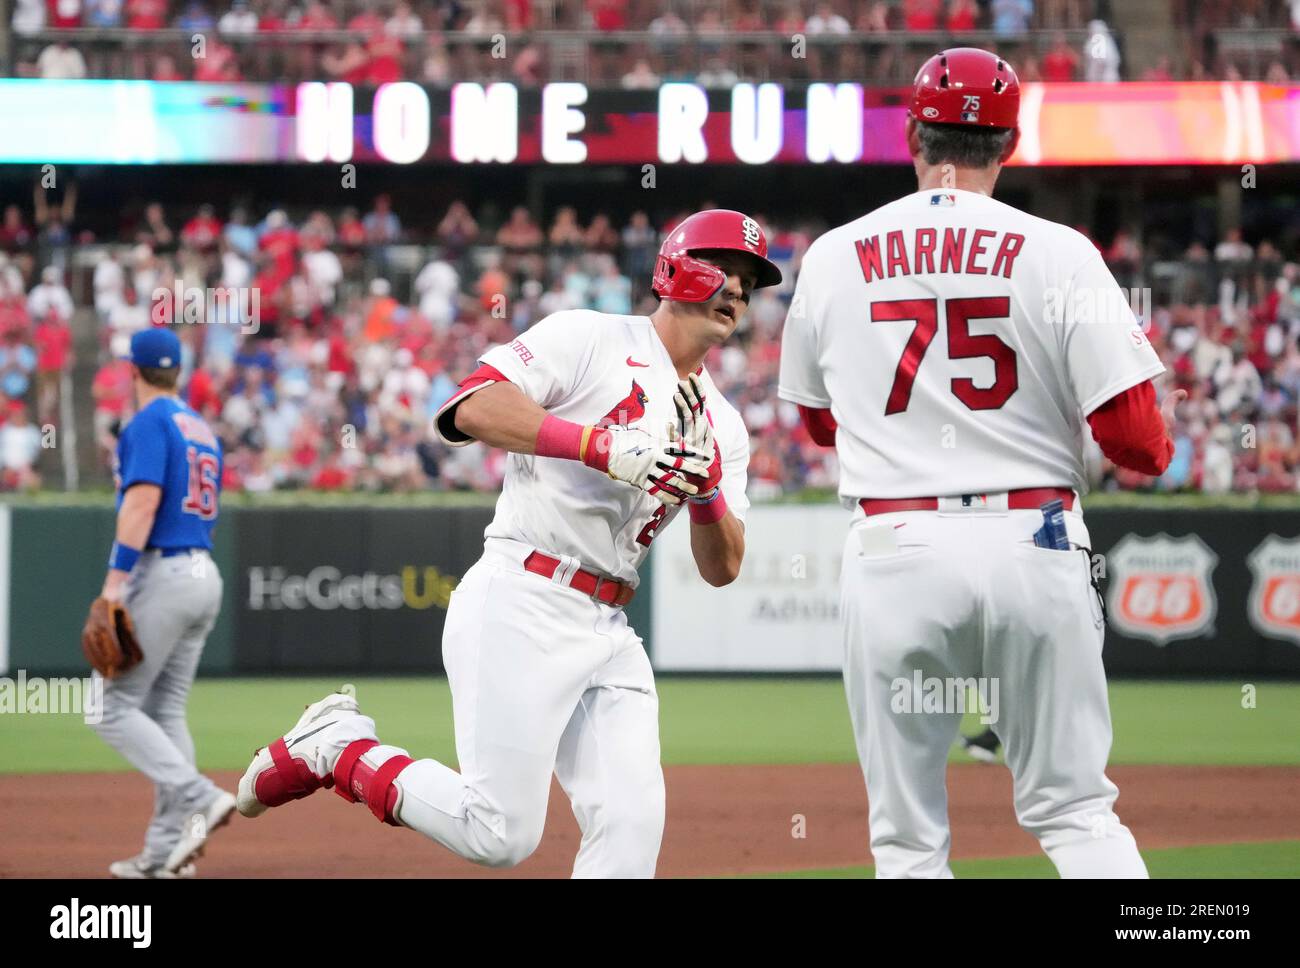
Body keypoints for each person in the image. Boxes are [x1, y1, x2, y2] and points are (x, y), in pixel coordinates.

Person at [236, 210, 782, 878]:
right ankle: (340, 747)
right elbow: (470, 405)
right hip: (525, 593)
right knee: (498, 834)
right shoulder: (592, 337)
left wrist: (709, 490)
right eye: (724, 268)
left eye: (750, 280)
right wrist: (599, 445)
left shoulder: (722, 425)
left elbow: (724, 567)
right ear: (674, 268)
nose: (737, 289)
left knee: (632, 826)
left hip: (610, 624)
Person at [778, 48, 1178, 878]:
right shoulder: (1060, 250)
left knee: (909, 841)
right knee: (1075, 812)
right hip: (1033, 540)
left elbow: (820, 424)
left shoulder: (833, 254)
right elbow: (1139, 443)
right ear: (1013, 142)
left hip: (895, 547)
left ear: (909, 134)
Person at [88, 328, 233, 879]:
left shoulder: (147, 421)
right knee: (165, 710)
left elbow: (143, 502)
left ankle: (197, 795)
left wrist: (113, 584)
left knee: (106, 706)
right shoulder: (200, 426)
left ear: (133, 371)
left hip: (166, 569)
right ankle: (165, 857)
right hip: (203, 574)